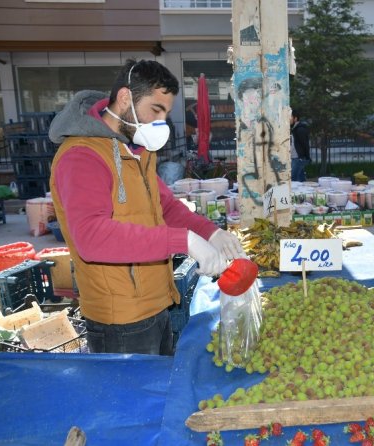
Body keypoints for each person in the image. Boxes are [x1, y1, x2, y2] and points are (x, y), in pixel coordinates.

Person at [48, 59, 244, 356]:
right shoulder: (81, 157)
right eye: (156, 110)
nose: (161, 121)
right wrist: (184, 241)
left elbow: (166, 206)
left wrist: (211, 233)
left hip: (157, 302)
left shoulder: (135, 150)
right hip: (120, 320)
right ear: (125, 98)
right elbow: (91, 237)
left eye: (165, 112)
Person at [290, 110, 311, 182]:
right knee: (301, 180)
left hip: (298, 159)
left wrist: (306, 157)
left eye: (290, 116)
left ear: (295, 118)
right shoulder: (295, 129)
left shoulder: (300, 129)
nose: (288, 118)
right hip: (295, 158)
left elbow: (305, 144)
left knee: (292, 179)